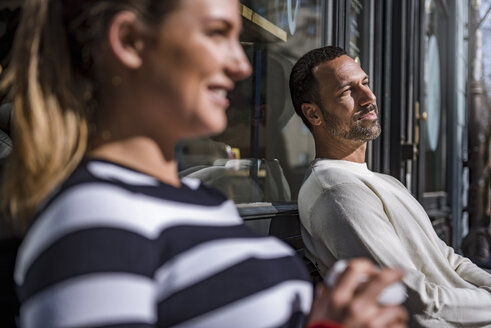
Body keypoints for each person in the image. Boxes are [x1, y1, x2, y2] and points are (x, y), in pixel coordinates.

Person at [1, 1, 408, 327]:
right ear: (129, 41)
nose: (241, 66)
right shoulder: (90, 220)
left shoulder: (202, 200)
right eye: (217, 33)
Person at [289, 45, 491, 327]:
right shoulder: (336, 192)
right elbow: (416, 303)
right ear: (313, 115)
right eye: (347, 91)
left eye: (365, 83)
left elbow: (449, 261)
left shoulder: (384, 182)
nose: (369, 97)